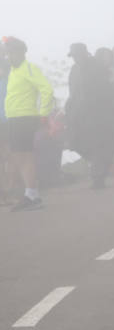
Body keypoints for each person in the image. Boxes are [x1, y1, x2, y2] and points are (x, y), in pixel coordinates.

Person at [3, 37, 55, 211]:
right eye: (8, 53)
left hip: (25, 118)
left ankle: (32, 195)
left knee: (24, 156)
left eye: (12, 52)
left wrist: (43, 114)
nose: (9, 56)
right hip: (14, 118)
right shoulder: (13, 71)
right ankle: (30, 193)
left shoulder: (29, 68)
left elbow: (46, 89)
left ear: (22, 52)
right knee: (19, 155)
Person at [65, 44, 114, 189]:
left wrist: (111, 109)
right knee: (78, 144)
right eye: (73, 56)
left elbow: (108, 89)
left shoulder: (97, 67)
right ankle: (99, 168)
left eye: (77, 55)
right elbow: (73, 92)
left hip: (99, 114)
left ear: (84, 54)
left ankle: (98, 176)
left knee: (98, 144)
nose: (75, 59)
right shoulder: (74, 70)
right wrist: (69, 109)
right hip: (80, 114)